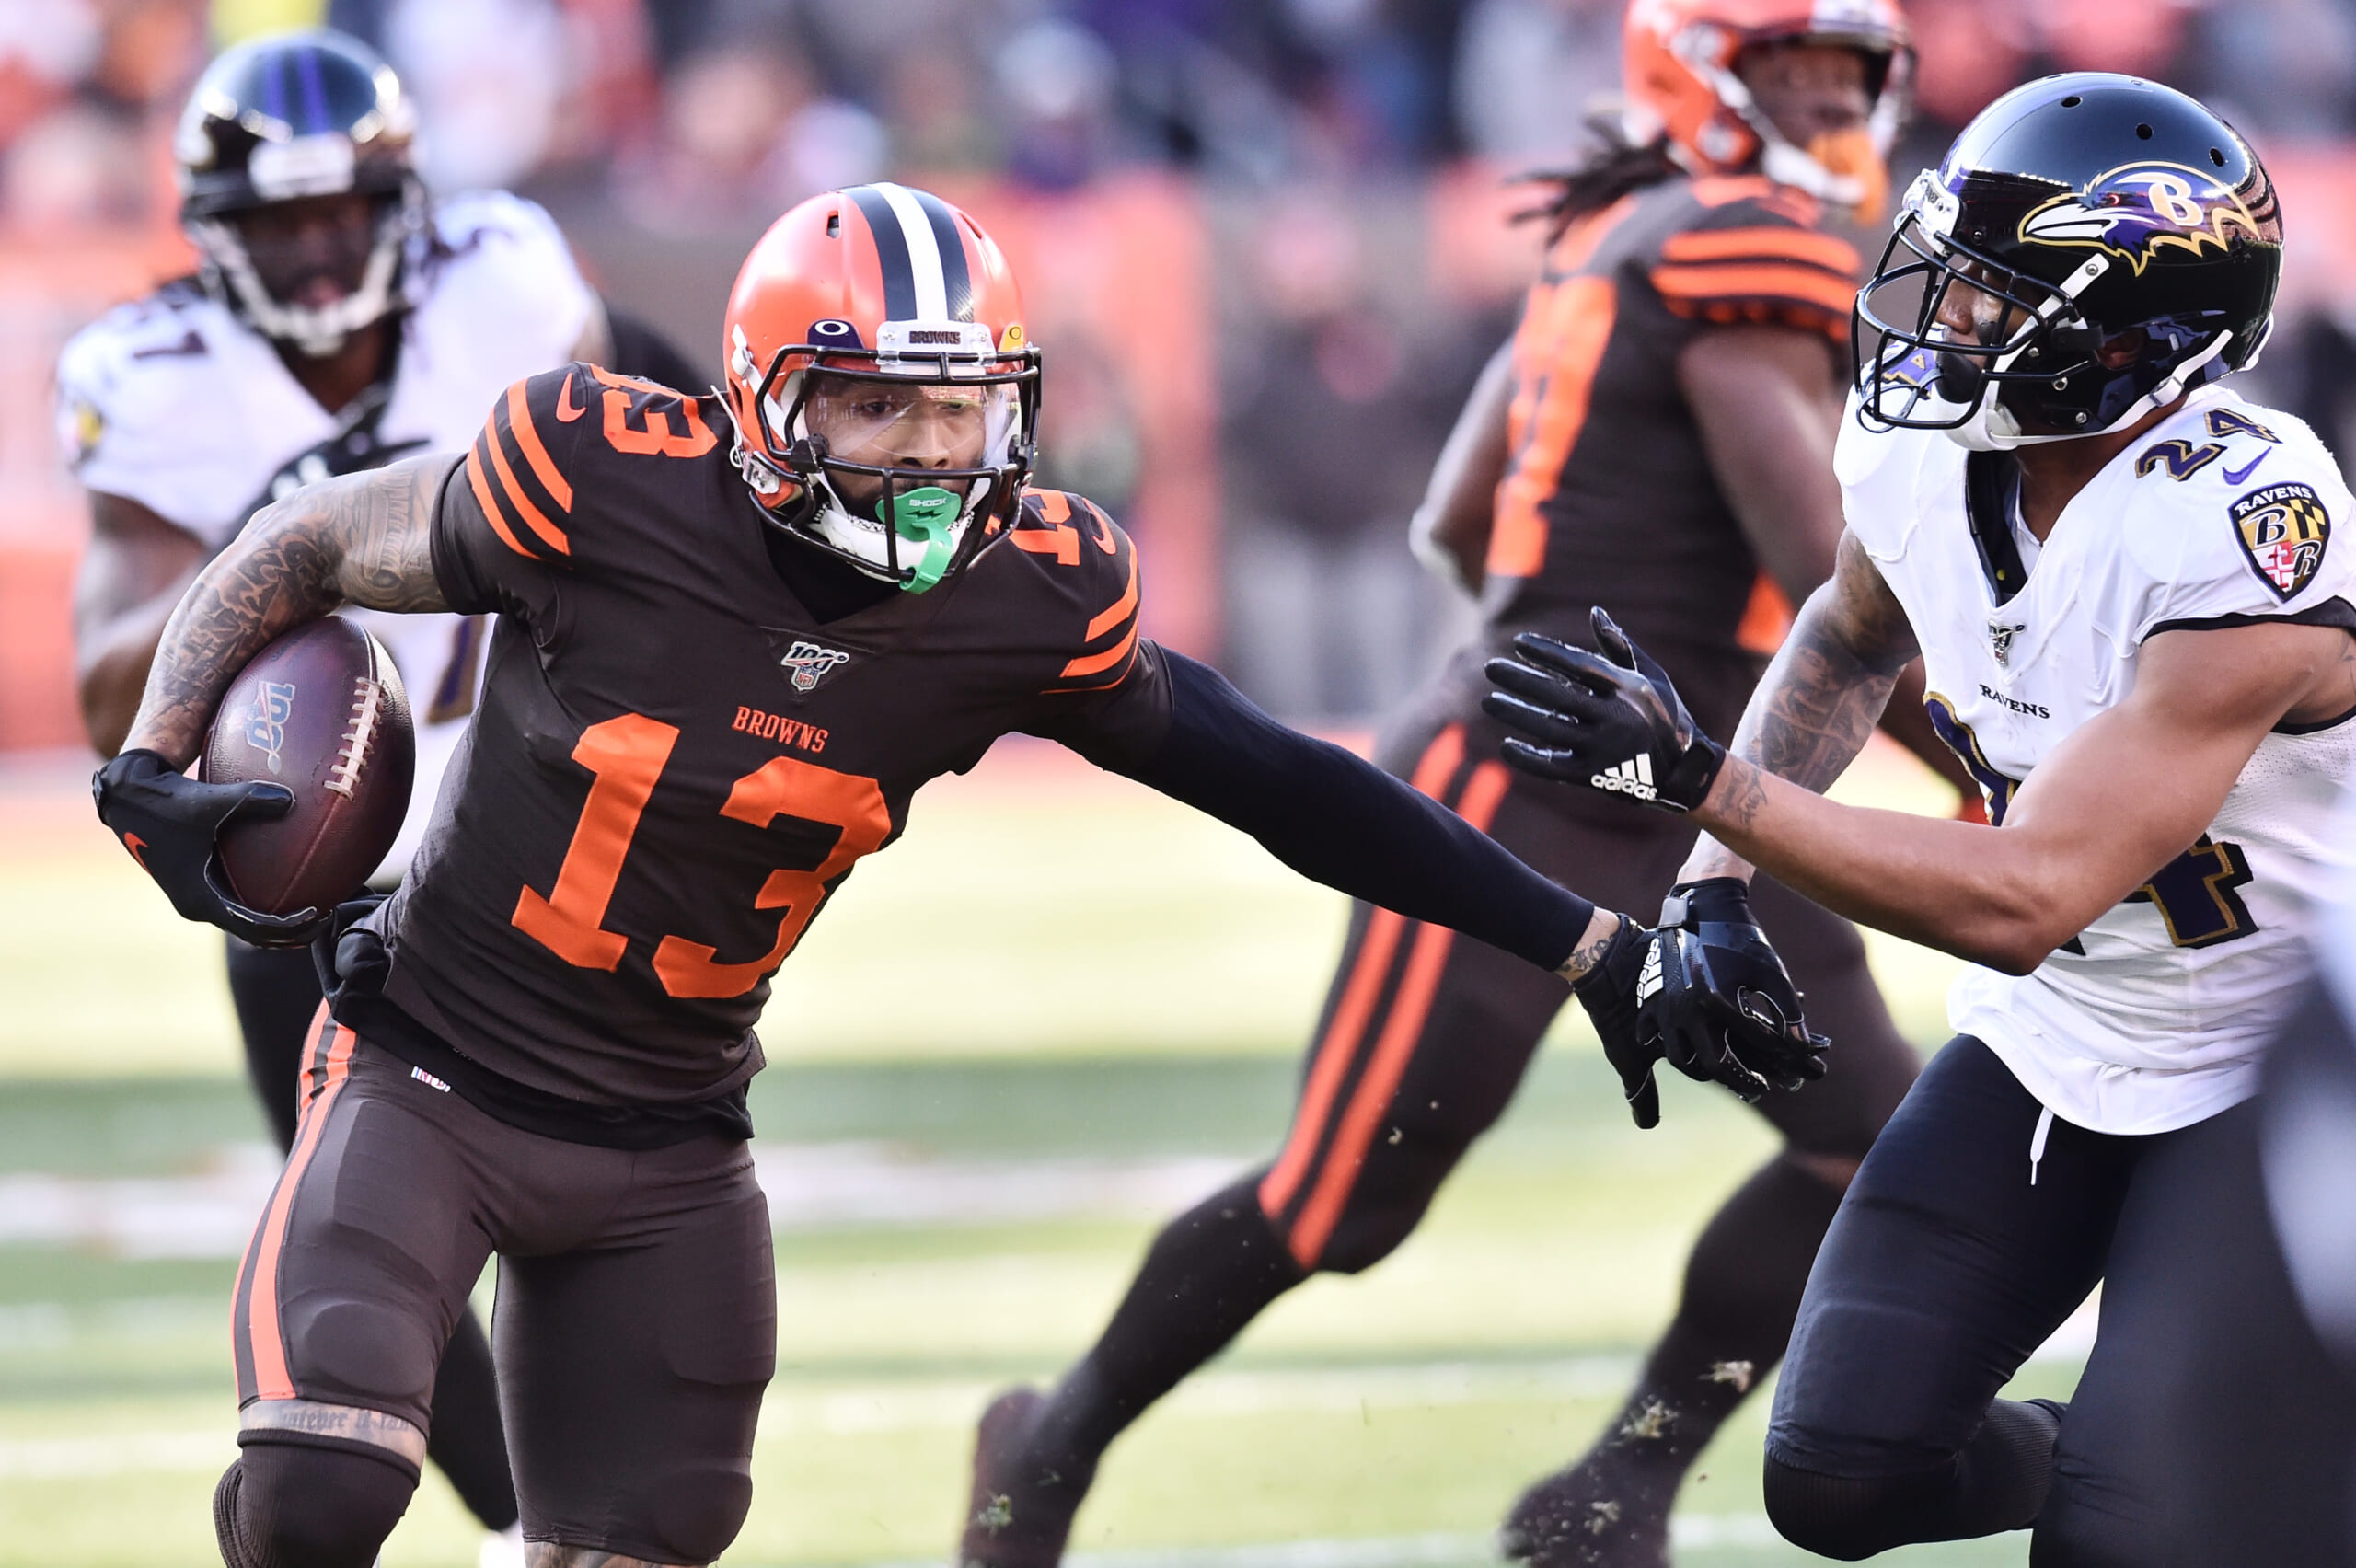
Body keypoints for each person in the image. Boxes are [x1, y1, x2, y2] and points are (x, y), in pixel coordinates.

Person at [88, 182, 1826, 1568]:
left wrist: (1595, 941)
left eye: (960, 406)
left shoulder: (1030, 601)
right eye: (877, 406)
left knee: (641, 1541)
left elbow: (1288, 789)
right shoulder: (598, 477)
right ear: (770, 399)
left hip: (673, 1142)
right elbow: (307, 539)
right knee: (319, 1497)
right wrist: (163, 751)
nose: (929, 453)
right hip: (433, 1067)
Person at [959, 5, 1958, 1565]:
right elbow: (1821, 585)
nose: (1830, 103)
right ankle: (1049, 1446)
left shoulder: (1614, 236)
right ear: (1695, 74)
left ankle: (1617, 1481)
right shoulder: (1730, 254)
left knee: (1867, 1151)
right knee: (1341, 1205)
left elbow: (1458, 511)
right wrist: (1996, 768)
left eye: (1851, 75)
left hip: (1702, 795)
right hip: (1543, 786)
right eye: (1794, 72)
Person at [1484, 72, 2356, 1564]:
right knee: (1838, 1476)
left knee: (2121, 1539)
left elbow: (2027, 897)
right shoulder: (1927, 455)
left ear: (2125, 332)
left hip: (2266, 1068)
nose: (1934, 320)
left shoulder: (2242, 520)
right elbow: (1844, 634)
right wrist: (1708, 886)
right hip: (2062, 1041)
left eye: (1988, 297)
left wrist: (1705, 781)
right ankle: (2185, 1470)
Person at [55, 31, 703, 1568]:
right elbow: (103, 680)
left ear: (403, 198)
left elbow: (664, 420)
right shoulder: (154, 376)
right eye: (281, 220)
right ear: (218, 229)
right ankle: (522, 1526)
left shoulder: (504, 276)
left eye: (344, 207)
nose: (320, 242)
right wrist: (288, 544)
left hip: (525, 804)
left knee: (599, 1173)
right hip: (309, 843)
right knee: (363, 1229)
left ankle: (561, 1521)